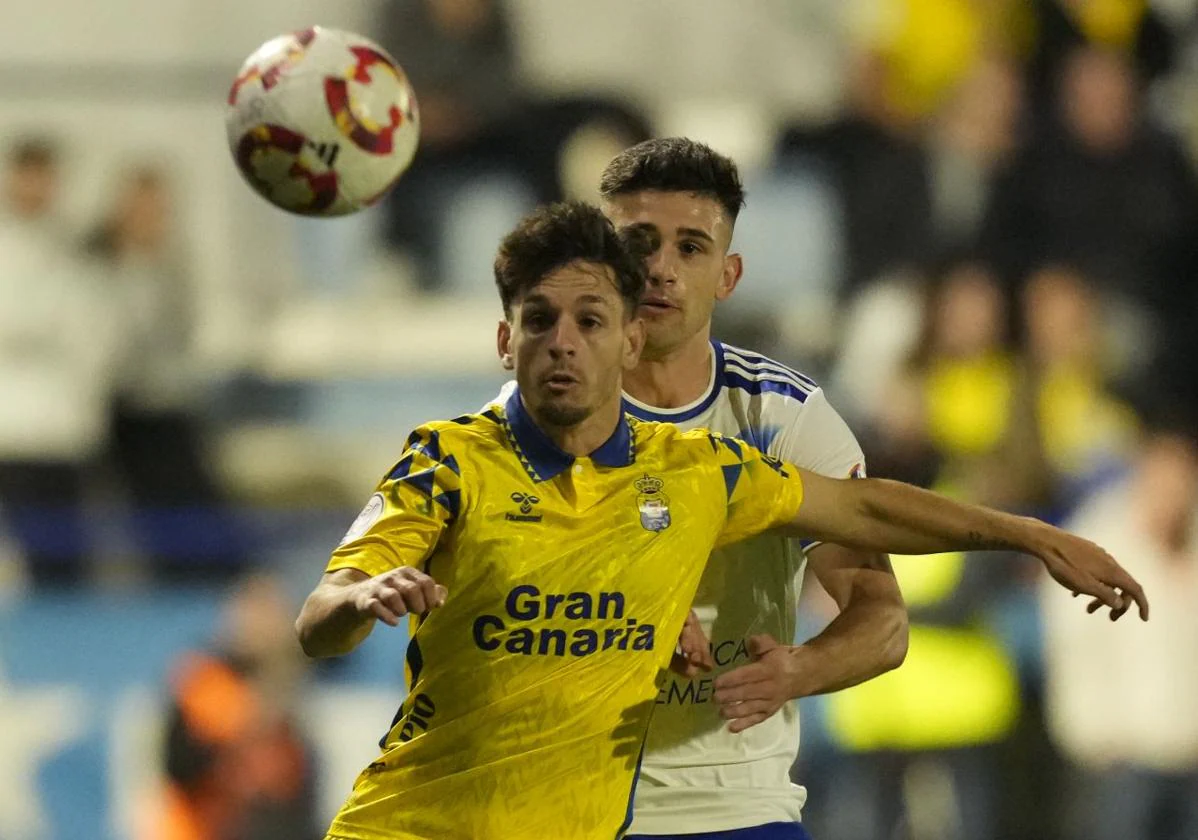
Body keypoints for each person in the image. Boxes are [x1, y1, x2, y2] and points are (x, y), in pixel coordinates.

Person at [295, 201, 1145, 840]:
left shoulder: (698, 477)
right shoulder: (446, 460)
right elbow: (318, 625)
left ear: (630, 342)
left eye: (589, 320)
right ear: (502, 342)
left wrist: (1036, 535)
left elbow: (863, 505)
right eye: (538, 320)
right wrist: (361, 597)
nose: (562, 341)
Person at [593, 137, 907, 840]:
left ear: (727, 274)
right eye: (638, 242)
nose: (661, 269)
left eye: (690, 248)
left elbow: (883, 619)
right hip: (570, 810)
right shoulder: (536, 415)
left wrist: (797, 671)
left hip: (737, 812)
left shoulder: (781, 417)